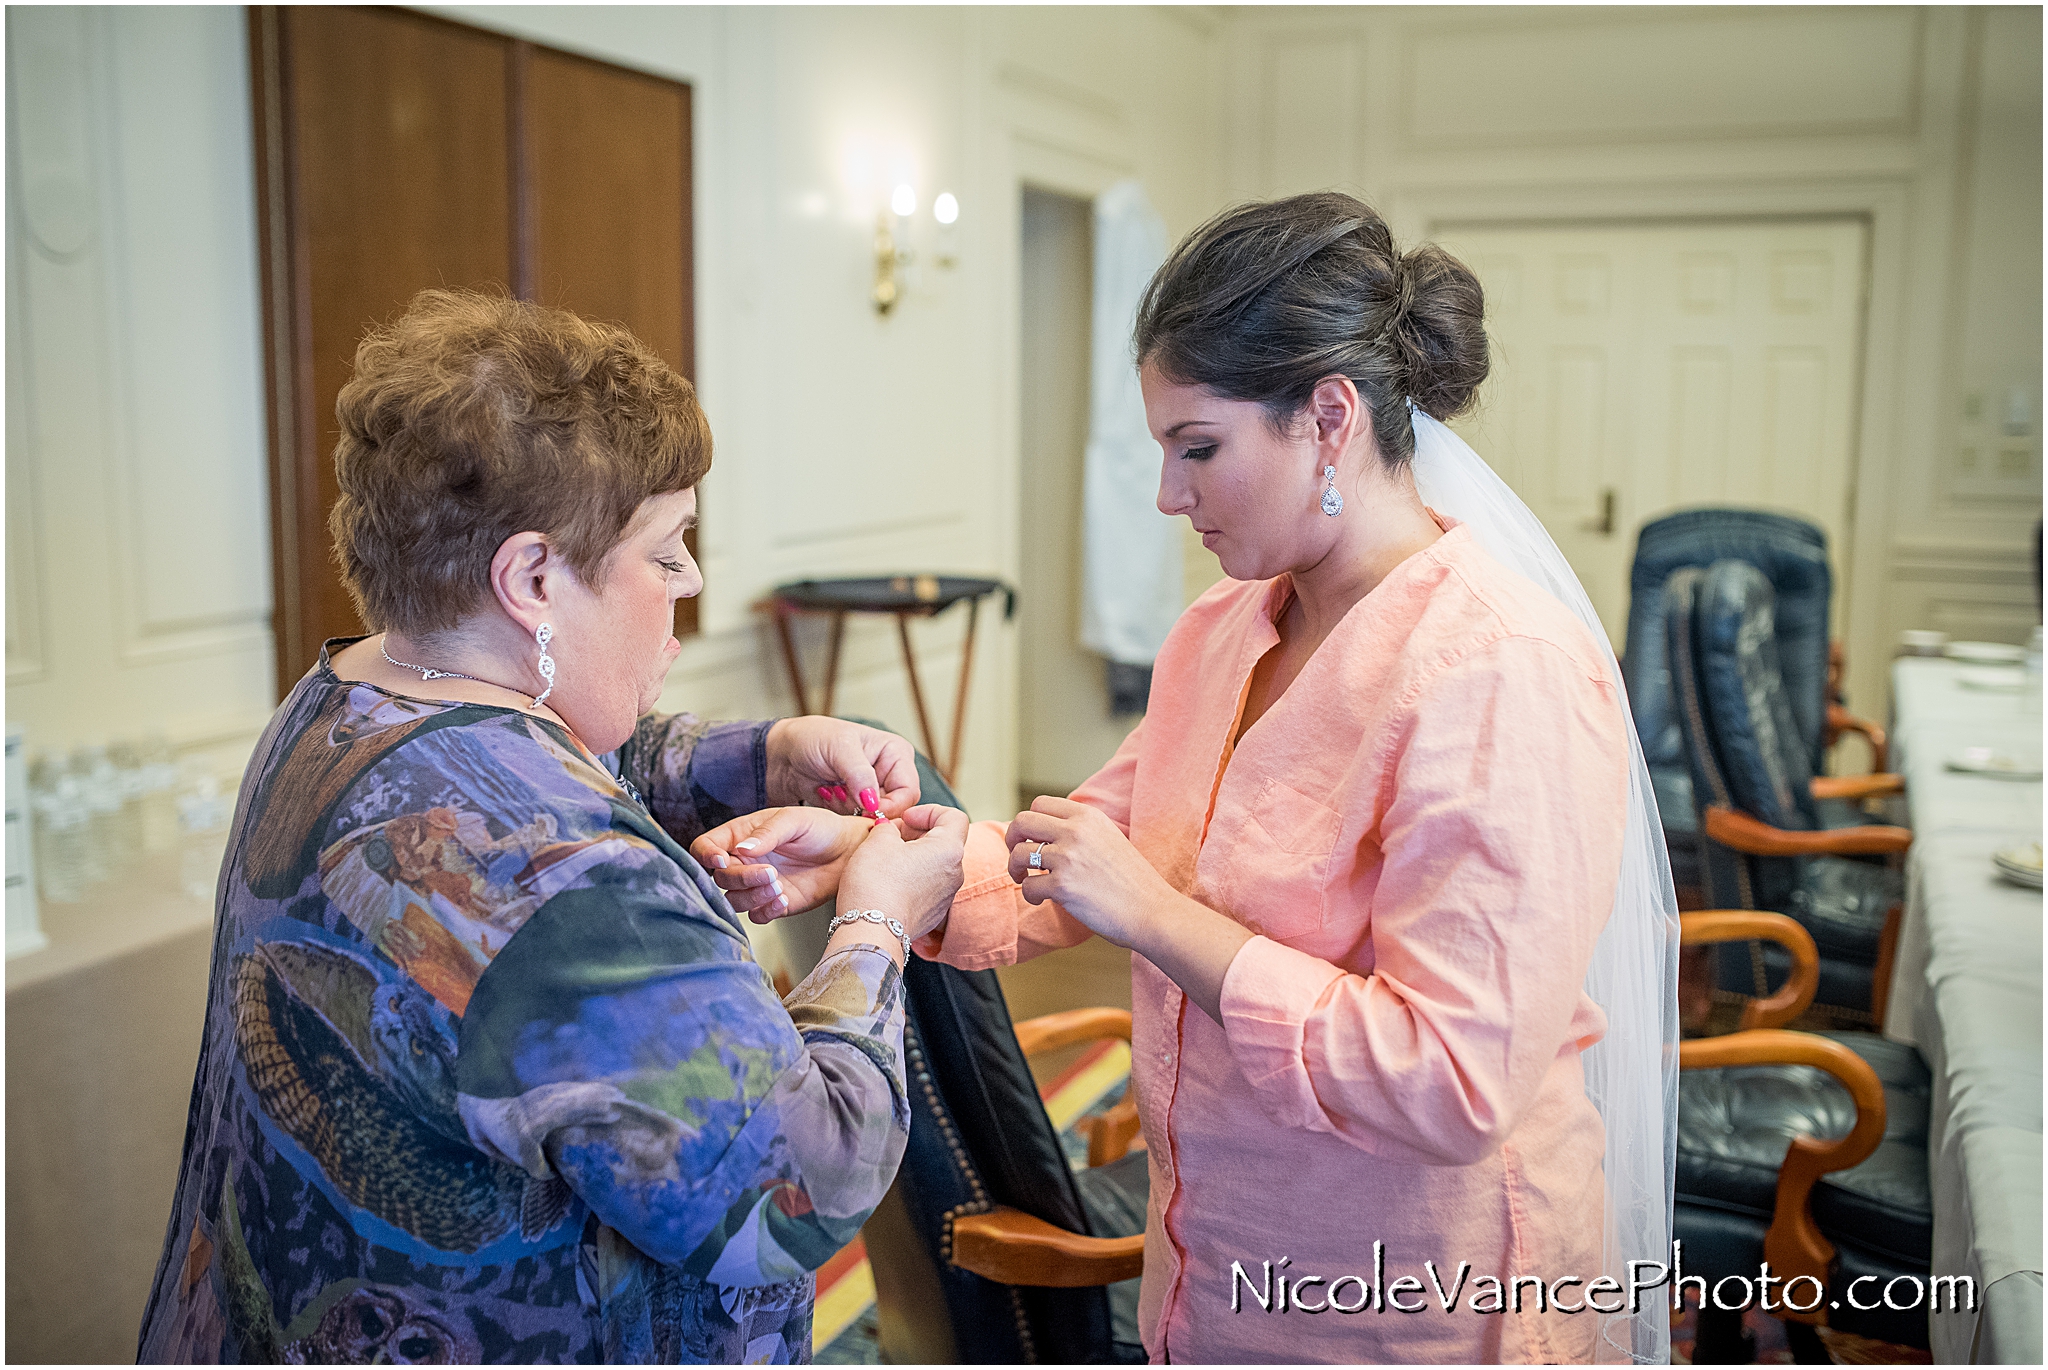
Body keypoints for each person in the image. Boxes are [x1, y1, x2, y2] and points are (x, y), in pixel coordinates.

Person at [703, 193, 1678, 1364]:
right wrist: (860, 857)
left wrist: (1157, 919)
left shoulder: (1493, 670)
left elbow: (1452, 1081)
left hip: (1413, 1298)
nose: (1169, 496)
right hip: (1213, 1263)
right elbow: (1079, 855)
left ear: (1329, 417)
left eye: (1198, 448)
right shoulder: (1220, 631)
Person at [136, 290, 967, 1364]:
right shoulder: (577, 890)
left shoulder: (346, 699)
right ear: (530, 577)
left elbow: (527, 767)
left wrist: (764, 752)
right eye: (666, 551)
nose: (691, 580)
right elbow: (806, 1182)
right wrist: (874, 924)